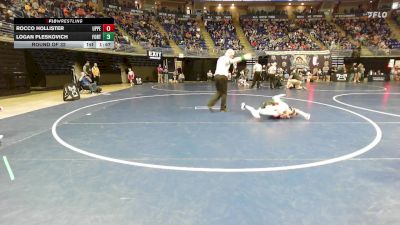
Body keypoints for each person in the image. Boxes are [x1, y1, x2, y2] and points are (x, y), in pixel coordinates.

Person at [241, 94, 310, 120]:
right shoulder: (284, 107)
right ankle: (245, 106)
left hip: (269, 108)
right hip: (267, 106)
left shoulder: (284, 111)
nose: (287, 116)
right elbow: (296, 110)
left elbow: (295, 111)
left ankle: (244, 105)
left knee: (258, 115)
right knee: (257, 114)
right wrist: (305, 115)